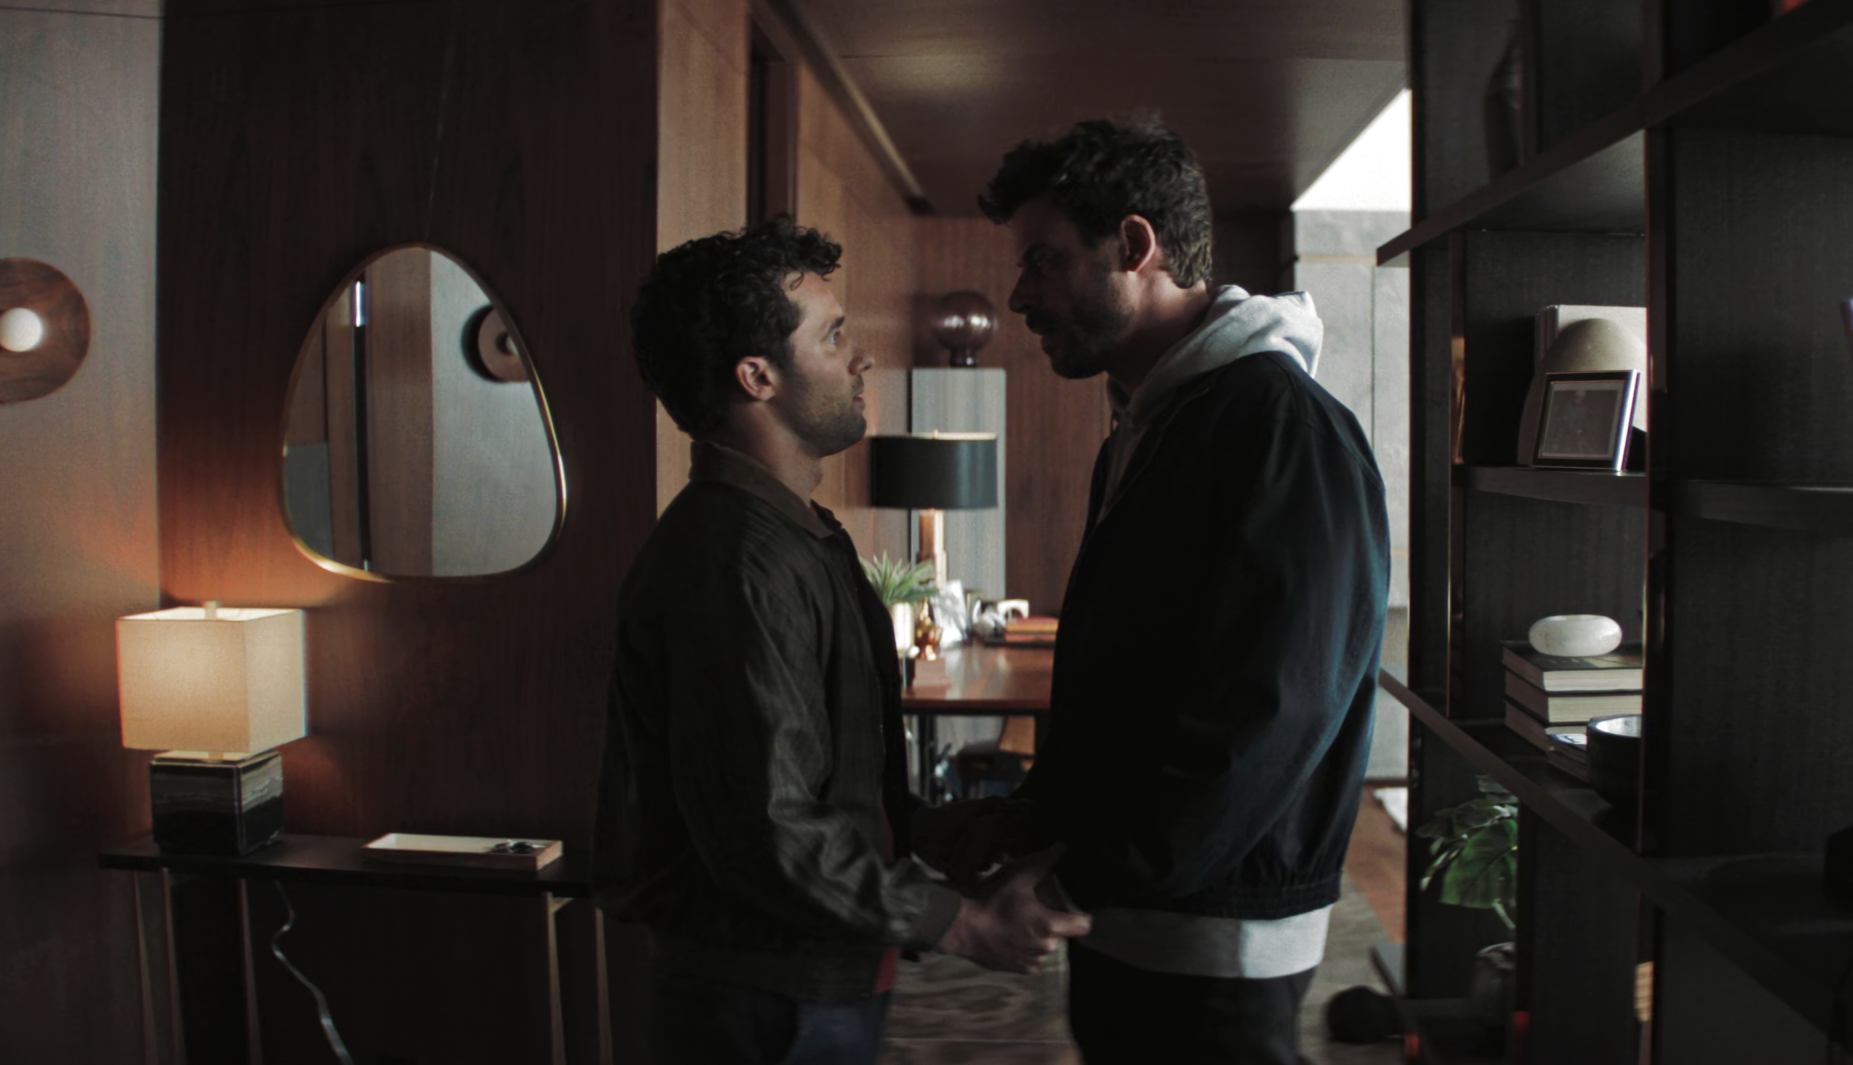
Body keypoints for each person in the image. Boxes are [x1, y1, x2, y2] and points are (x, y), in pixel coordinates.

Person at [593, 218, 1091, 1065]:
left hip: (807, 981)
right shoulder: (734, 564)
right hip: (765, 999)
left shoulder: (795, 536)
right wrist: (963, 923)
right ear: (757, 376)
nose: (862, 358)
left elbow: (810, 786)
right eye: (832, 336)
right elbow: (770, 830)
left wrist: (934, 830)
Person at [971, 117, 1390, 1063]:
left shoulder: (1281, 427)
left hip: (1213, 932)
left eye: (1043, 260)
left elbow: (1268, 711)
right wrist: (1044, 826)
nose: (1020, 293)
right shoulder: (1153, 424)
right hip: (1136, 910)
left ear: (1134, 245)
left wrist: (1075, 882)